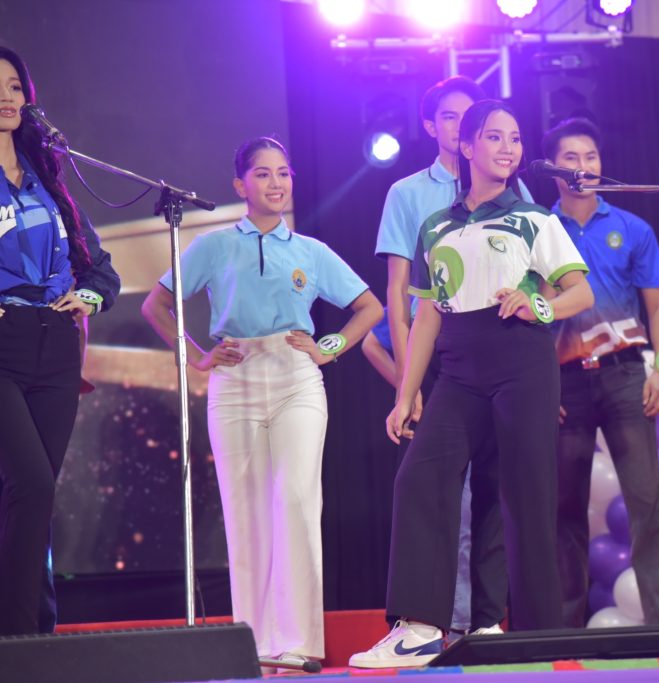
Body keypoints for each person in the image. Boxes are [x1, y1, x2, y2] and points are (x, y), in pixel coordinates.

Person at [350, 100, 594, 668]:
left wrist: (537, 305)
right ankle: (418, 628)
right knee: (419, 477)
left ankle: (524, 632)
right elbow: (427, 315)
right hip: (458, 367)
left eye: (515, 138)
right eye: (495, 136)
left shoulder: (534, 218)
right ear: (466, 145)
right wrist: (406, 394)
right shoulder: (436, 225)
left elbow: (579, 292)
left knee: (522, 496)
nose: (509, 148)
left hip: (521, 358)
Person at [141, 136, 382, 667]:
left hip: (296, 375)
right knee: (245, 512)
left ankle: (299, 645)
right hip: (236, 379)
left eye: (284, 173)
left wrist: (329, 348)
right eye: (263, 174)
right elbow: (156, 305)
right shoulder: (213, 245)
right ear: (240, 185)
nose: (277, 183)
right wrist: (197, 356)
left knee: (296, 501)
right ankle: (253, 647)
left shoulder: (311, 251)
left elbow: (370, 307)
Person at [373, 76, 533, 636]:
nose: (464, 127)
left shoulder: (515, 190)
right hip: (437, 354)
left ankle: (484, 625)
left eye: (474, 118)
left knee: (493, 490)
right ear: (434, 127)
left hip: (502, 352)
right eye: (451, 117)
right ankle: (432, 625)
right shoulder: (408, 194)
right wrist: (407, 383)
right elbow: (402, 296)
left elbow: (538, 281)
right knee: (434, 489)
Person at [538, 117, 659, 627]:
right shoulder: (538, 231)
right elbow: (531, 318)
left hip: (626, 376)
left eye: (591, 157)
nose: (584, 166)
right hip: (564, 383)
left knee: (646, 504)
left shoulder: (633, 228)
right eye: (571, 158)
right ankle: (565, 636)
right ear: (554, 168)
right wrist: (541, 388)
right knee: (564, 512)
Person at [0, 45, 120, 636]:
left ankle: (34, 634)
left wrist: (89, 298)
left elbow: (101, 270)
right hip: (3, 341)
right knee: (29, 483)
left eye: (14, 86)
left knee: (34, 499)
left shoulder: (47, 178)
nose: (6, 97)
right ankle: (21, 639)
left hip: (55, 345)